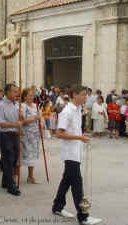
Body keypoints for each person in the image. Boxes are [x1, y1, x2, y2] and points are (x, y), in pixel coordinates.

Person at [52, 86, 102, 225]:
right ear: (74, 95)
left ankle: (57, 206)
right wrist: (79, 138)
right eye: (83, 95)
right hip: (70, 153)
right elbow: (59, 133)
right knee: (77, 184)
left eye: (86, 95)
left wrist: (81, 135)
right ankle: (83, 217)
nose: (86, 97)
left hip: (76, 152)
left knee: (66, 180)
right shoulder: (67, 111)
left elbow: (73, 130)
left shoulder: (78, 110)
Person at [0, 83, 22, 196]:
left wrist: (21, 118)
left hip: (15, 134)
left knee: (14, 158)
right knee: (8, 160)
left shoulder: (16, 105)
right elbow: (0, 123)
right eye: (14, 91)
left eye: (17, 91)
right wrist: (14, 124)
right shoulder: (1, 106)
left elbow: (20, 121)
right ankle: (11, 186)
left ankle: (5, 182)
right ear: (7, 93)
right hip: (6, 135)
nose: (17, 93)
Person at [20, 88, 42, 184]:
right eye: (29, 95)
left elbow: (40, 117)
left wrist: (40, 122)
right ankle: (14, 174)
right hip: (26, 134)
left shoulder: (35, 106)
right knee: (23, 154)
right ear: (24, 96)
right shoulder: (23, 106)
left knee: (33, 155)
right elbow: (22, 121)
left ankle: (30, 176)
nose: (31, 97)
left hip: (35, 134)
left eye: (32, 95)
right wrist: (34, 118)